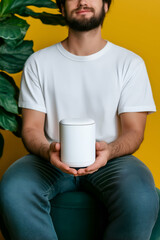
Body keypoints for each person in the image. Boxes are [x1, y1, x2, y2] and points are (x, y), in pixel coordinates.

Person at [0, 0, 159, 239]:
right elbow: (31, 128)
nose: (83, 1)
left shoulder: (130, 64)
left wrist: (109, 151)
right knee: (14, 188)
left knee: (142, 197)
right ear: (62, 8)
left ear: (106, 6)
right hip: (50, 158)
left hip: (111, 159)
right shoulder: (38, 63)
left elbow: (134, 132)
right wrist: (49, 150)